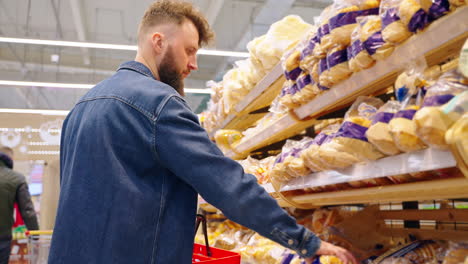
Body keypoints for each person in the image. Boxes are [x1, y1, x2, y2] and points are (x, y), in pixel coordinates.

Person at [48, 1, 358, 263]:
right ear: (158, 42)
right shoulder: (160, 104)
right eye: (189, 50)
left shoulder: (81, 107)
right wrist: (305, 242)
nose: (193, 64)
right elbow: (227, 184)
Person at [0, 146, 39, 264]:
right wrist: (35, 235)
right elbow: (27, 211)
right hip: (3, 236)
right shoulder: (17, 178)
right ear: (10, 159)